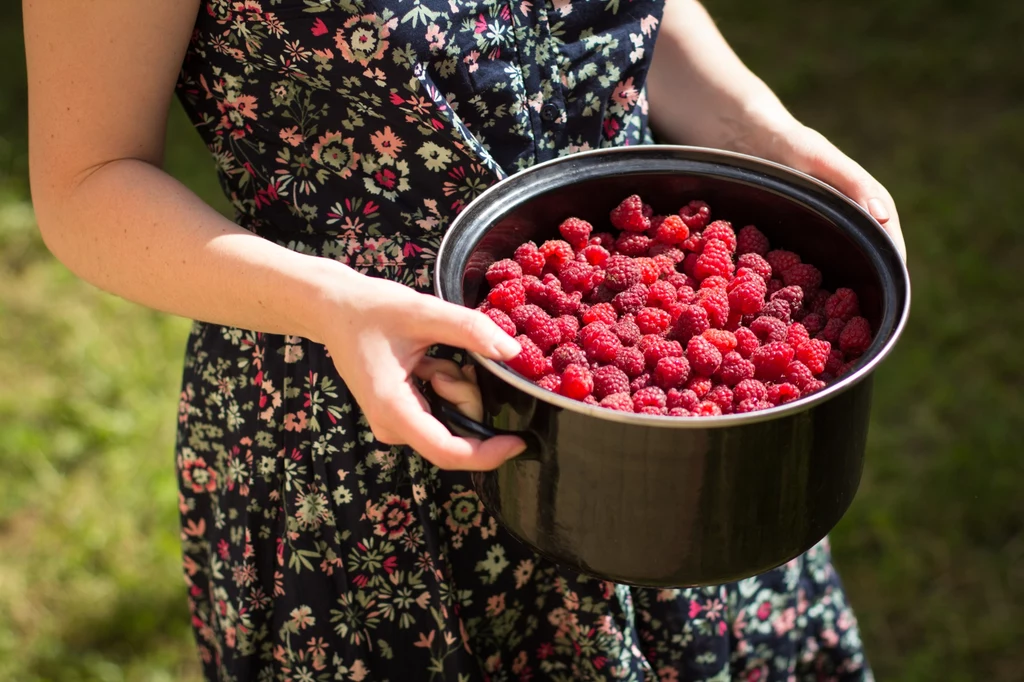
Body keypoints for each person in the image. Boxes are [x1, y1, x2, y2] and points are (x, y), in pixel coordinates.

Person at [24, 0, 903, 679]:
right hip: (373, 423)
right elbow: (87, 182)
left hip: (671, 393)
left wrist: (754, 127)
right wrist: (335, 301)